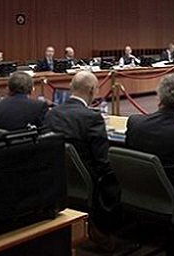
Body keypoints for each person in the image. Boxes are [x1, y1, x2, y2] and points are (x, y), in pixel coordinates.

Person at [45, 71, 117, 239]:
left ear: (71, 88)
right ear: (92, 90)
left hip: (59, 177)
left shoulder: (52, 113)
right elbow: (102, 161)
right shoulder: (92, 118)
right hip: (88, 179)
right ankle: (108, 230)